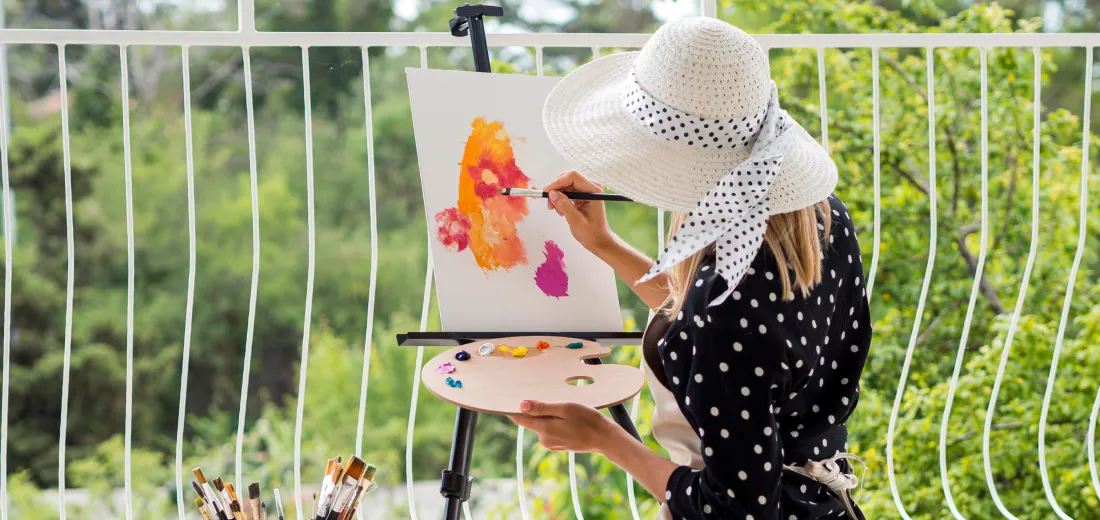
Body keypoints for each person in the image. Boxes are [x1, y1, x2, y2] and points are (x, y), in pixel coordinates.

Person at [508, 16, 873, 520]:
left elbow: (731, 511)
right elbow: (725, 334)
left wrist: (603, 437)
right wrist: (605, 245)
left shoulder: (726, 310)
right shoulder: (820, 219)